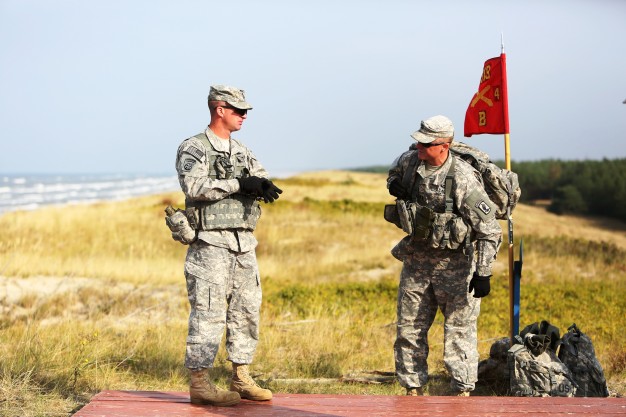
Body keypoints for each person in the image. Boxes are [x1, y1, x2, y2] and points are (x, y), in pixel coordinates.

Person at [175, 84, 282, 406]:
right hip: (210, 244)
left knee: (246, 310)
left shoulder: (242, 151)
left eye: (245, 111)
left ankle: (241, 376)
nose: (244, 116)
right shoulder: (194, 147)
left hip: (243, 243)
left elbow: (260, 176)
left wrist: (260, 185)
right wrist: (239, 183)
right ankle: (200, 383)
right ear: (219, 109)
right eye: (238, 110)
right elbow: (194, 186)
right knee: (208, 312)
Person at [386, 115, 502, 396]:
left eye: (426, 144)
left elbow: (490, 230)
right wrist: (393, 184)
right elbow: (392, 174)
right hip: (417, 262)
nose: (419, 148)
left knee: (459, 332)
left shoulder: (463, 179)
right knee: (409, 329)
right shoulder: (409, 162)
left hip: (456, 266)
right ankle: (412, 390)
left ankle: (462, 392)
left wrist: (483, 272)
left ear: (444, 146)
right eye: (418, 142)